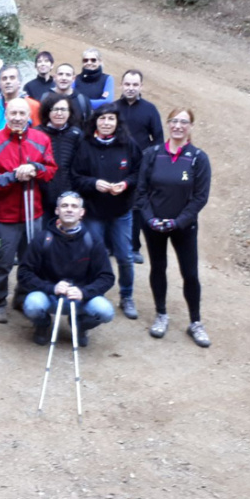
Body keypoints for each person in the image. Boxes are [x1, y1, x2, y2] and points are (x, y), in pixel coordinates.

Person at [135, 107, 211, 347]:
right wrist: (149, 219)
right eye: (174, 121)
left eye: (184, 122)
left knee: (190, 273)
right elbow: (141, 192)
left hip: (183, 226)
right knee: (158, 267)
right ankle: (161, 314)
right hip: (154, 224)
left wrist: (179, 222)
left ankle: (195, 322)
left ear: (191, 127)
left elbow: (200, 197)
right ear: (168, 124)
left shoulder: (198, 158)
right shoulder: (152, 154)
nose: (178, 126)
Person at [0, 97, 57, 323]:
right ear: (6, 115)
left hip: (33, 213)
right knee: (2, 262)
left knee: (30, 260)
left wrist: (35, 168)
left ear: (28, 116)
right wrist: (12, 176)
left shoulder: (41, 139)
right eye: (12, 113)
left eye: (21, 114)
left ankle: (22, 297)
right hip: (5, 215)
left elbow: (51, 169)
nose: (17, 118)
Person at [71, 103, 142, 320]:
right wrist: (94, 183)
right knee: (93, 255)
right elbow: (75, 176)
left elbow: (139, 171)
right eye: (102, 119)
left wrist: (126, 184)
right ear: (95, 121)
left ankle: (127, 296)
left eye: (111, 119)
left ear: (117, 122)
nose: (106, 123)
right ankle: (93, 294)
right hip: (93, 212)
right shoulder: (84, 144)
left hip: (121, 211)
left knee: (125, 256)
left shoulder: (128, 144)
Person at [18, 192, 115, 346]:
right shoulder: (43, 238)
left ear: (81, 213)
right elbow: (24, 273)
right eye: (64, 206)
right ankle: (42, 325)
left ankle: (79, 325)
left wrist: (84, 292)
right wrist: (51, 287)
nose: (69, 210)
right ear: (57, 211)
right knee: (32, 305)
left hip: (81, 299)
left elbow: (107, 277)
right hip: (49, 296)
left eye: (74, 206)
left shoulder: (93, 241)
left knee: (105, 312)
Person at [114, 69, 163, 264]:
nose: (131, 88)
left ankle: (134, 247)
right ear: (121, 85)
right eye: (127, 84)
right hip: (115, 163)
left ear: (141, 86)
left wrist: (149, 159)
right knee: (114, 201)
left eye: (135, 85)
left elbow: (158, 138)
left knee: (136, 207)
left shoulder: (150, 110)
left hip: (141, 166)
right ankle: (112, 245)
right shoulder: (113, 108)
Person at [36, 94, 82, 227]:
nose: (59, 113)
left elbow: (80, 167)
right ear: (47, 111)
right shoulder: (36, 134)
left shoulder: (76, 134)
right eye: (55, 109)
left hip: (69, 199)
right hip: (42, 199)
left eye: (63, 110)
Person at [0, 65, 41, 154]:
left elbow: (39, 138)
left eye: (12, 78)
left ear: (19, 82)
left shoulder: (33, 106)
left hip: (23, 160)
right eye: (4, 79)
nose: (8, 81)